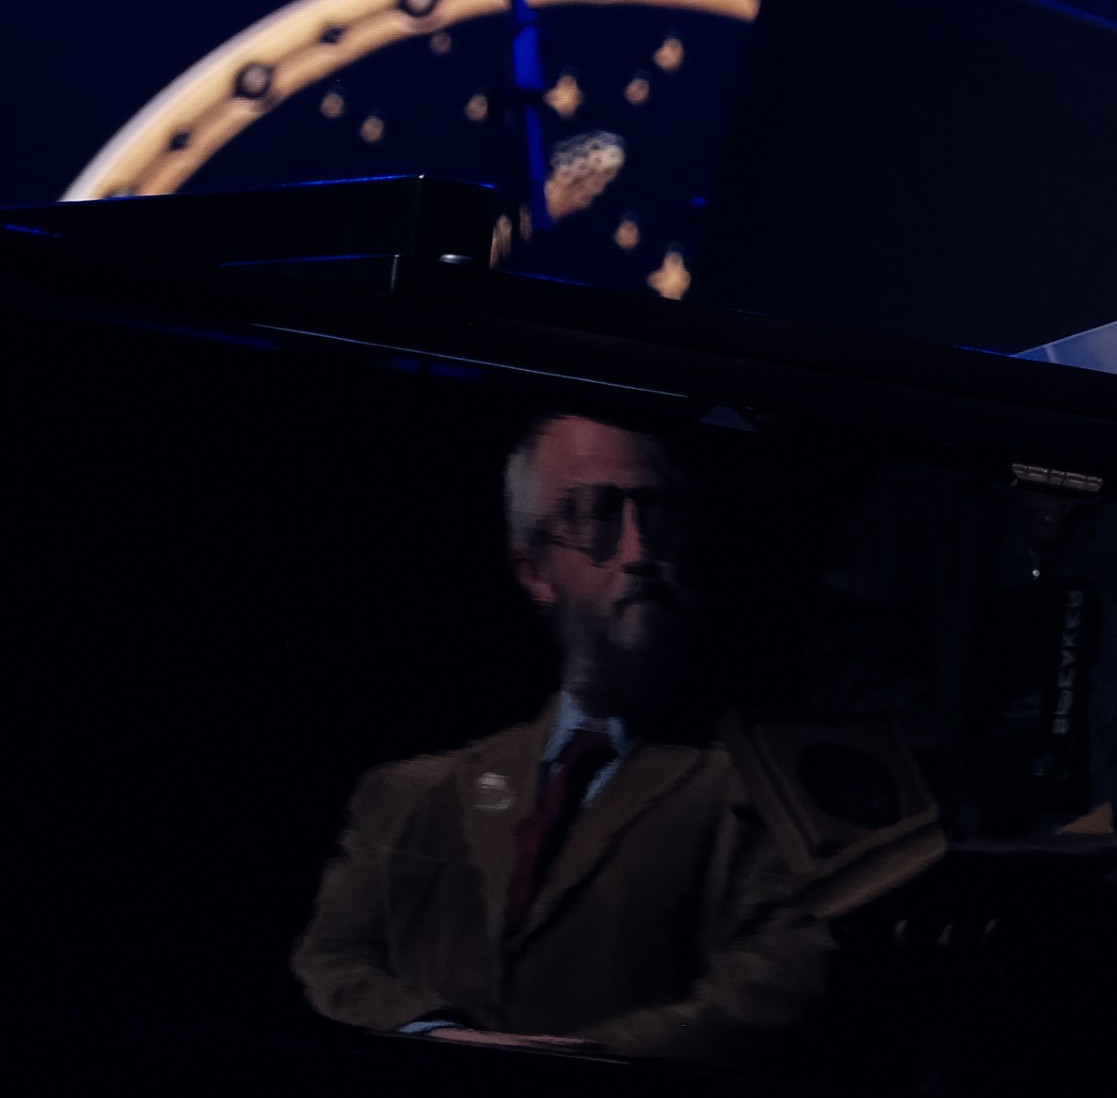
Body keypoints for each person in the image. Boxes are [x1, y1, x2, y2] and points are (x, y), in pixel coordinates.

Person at [293, 412, 825, 1061]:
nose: (638, 552)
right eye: (595, 516)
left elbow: (778, 983)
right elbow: (334, 956)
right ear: (533, 570)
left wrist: (571, 1064)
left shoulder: (759, 790)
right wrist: (433, 1034)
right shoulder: (415, 790)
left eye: (657, 513)